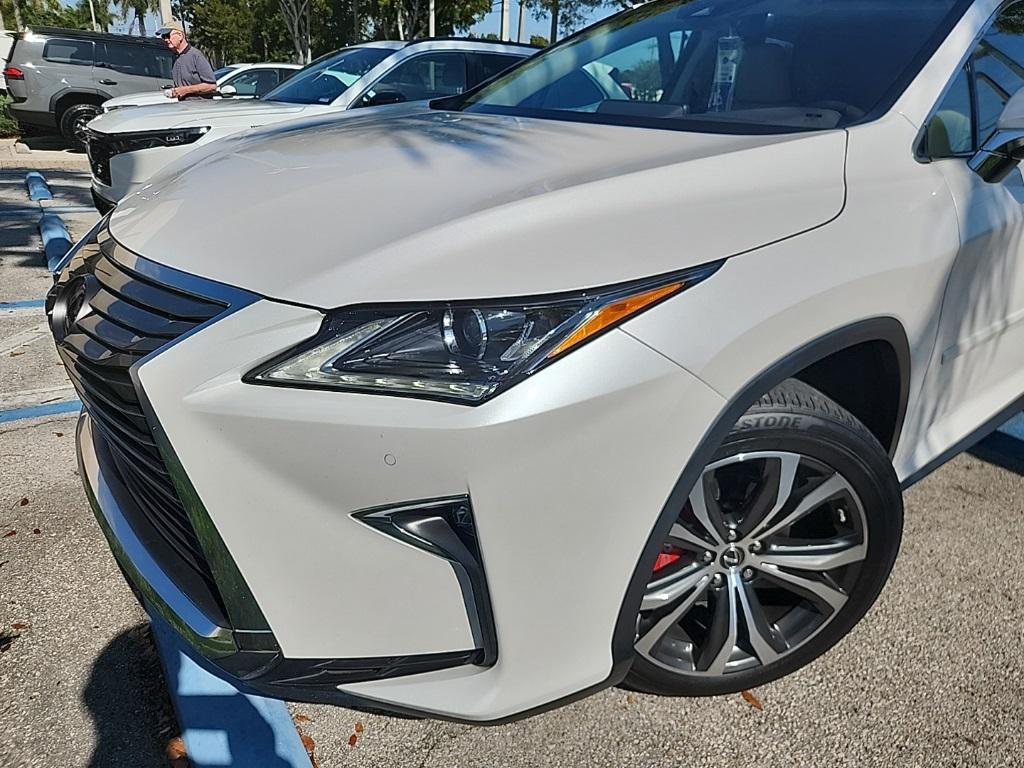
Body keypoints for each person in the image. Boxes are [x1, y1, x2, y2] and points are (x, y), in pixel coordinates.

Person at [155, 20, 217, 100]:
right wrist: (175, 91)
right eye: (163, 37)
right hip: (184, 108)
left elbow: (212, 86)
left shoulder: (195, 55)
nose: (166, 39)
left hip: (201, 108)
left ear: (180, 36)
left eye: (168, 35)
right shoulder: (175, 57)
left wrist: (185, 90)